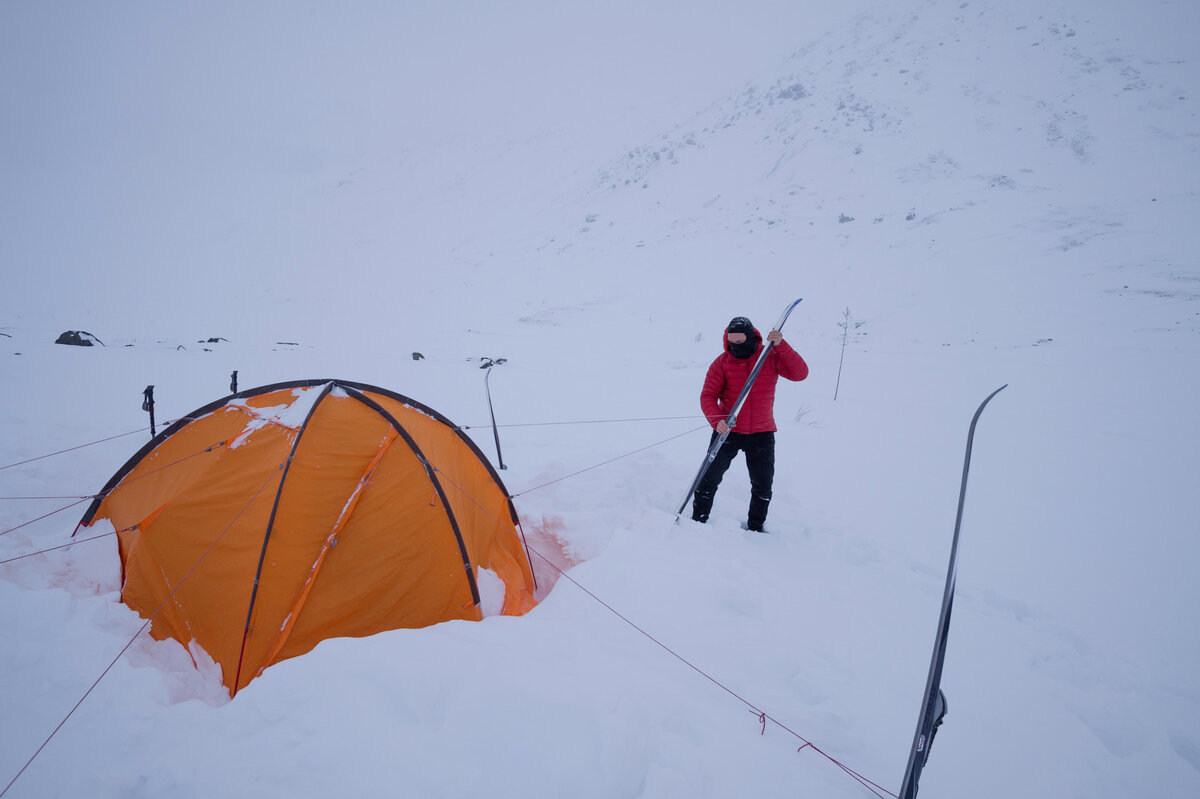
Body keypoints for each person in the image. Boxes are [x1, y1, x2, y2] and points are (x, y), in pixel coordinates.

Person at [692, 316, 809, 532]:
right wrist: (717, 421)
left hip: (762, 432)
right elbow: (708, 396)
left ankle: (756, 528)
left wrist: (782, 346)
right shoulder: (722, 363)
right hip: (728, 431)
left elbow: (800, 374)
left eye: (739, 342)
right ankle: (698, 521)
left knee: (762, 486)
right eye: (731, 342)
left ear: (750, 338)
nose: (735, 347)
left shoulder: (769, 356)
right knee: (708, 478)